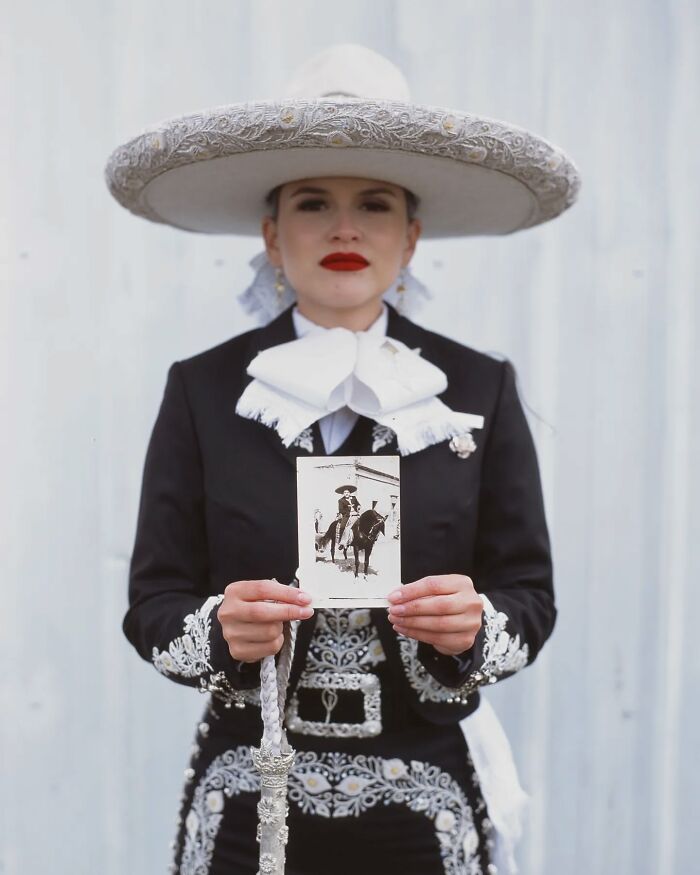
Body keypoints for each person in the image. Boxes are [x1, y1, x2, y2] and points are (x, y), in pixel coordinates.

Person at [107, 44, 579, 875]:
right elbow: (152, 602)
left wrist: (475, 627)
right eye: (313, 202)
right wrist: (218, 631)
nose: (345, 227)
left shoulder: (478, 385)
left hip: (424, 803)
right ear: (271, 233)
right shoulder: (203, 389)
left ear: (412, 237)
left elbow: (530, 597)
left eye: (376, 204)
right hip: (249, 806)